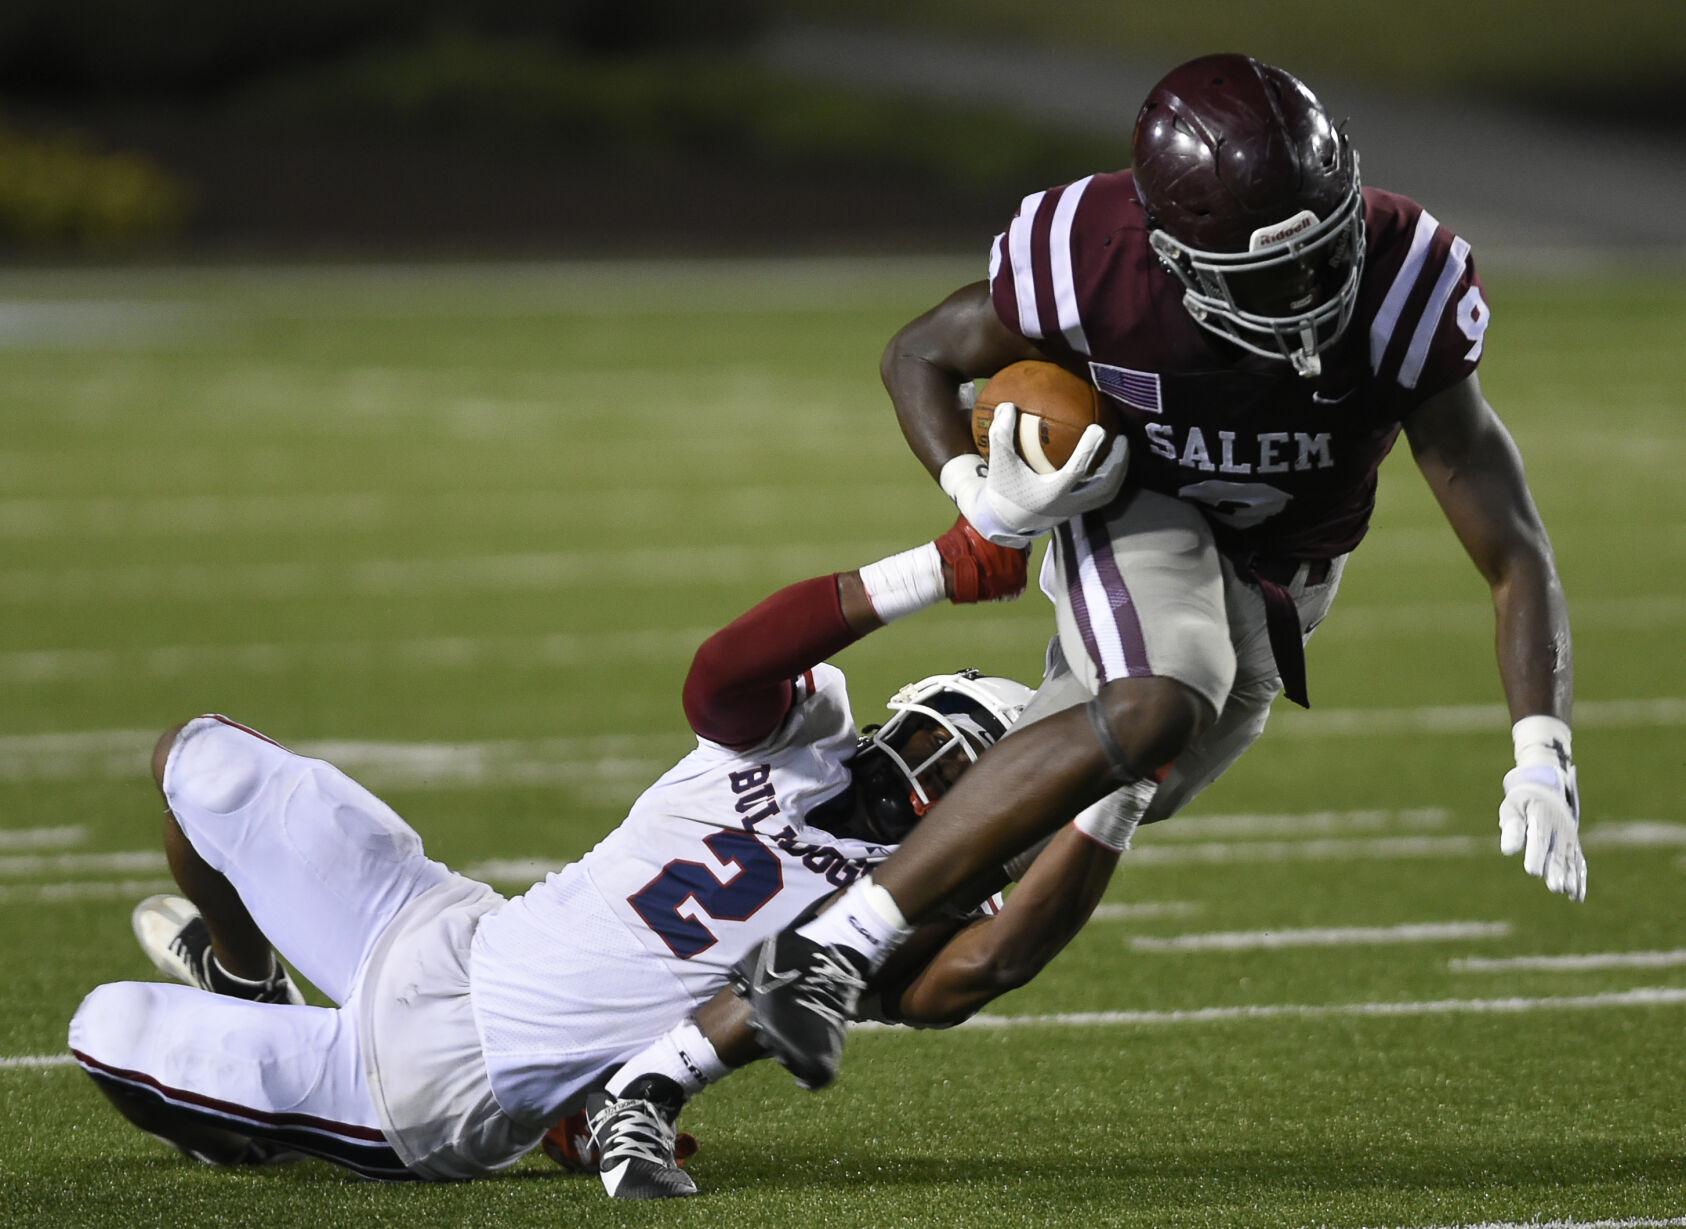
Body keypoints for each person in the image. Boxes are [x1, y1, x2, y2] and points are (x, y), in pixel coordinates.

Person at [733, 52, 1584, 1093]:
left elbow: (1512, 543)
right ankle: (830, 944)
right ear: (1174, 255)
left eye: (1324, 254)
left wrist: (1542, 748)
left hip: (1285, 577)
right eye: (1271, 276)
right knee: (1159, 700)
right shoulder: (1094, 259)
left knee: (1087, 824)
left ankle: (701, 1025)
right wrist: (982, 496)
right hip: (1138, 501)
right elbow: (919, 352)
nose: (1311, 293)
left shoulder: (1407, 281)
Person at [67, 518, 1118, 1199]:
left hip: (434, 1086)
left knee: (106, 1026)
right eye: (948, 737)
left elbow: (983, 970)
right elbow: (720, 676)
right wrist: (932, 566)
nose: (941, 772)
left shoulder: (898, 915)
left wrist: (1120, 788)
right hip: (441, 922)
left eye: (980, 773)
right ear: (912, 713)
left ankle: (257, 1126)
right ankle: (247, 974)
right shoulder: (809, 736)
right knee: (199, 762)